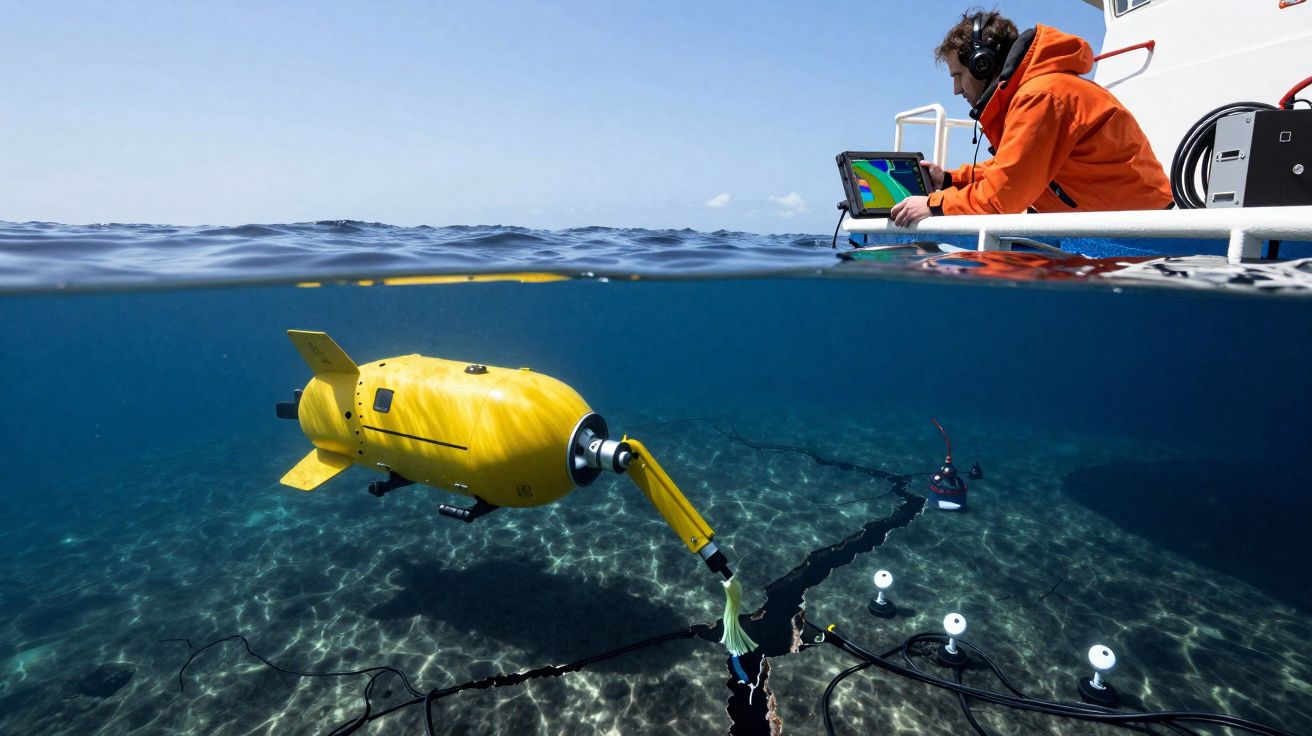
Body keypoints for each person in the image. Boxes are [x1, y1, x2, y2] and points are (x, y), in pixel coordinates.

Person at [889, 10, 1173, 227]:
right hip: (1117, 224)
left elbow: (1003, 197)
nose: (956, 89)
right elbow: (1013, 169)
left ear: (981, 64)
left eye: (958, 76)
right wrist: (951, 179)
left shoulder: (1040, 97)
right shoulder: (1039, 91)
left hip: (1141, 235)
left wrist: (934, 205)